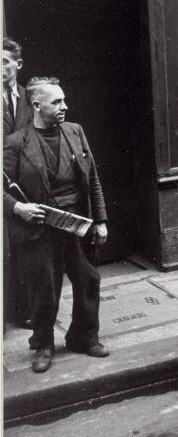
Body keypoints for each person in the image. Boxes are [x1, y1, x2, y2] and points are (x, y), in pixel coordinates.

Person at [3, 77, 109, 373]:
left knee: (88, 279)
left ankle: (84, 337)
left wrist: (100, 220)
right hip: (39, 227)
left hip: (76, 222)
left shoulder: (75, 131)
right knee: (43, 287)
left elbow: (93, 178)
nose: (65, 106)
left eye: (63, 100)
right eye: (57, 102)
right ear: (37, 106)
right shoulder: (16, 143)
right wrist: (17, 207)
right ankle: (43, 344)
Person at [3, 37, 34, 330]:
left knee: (26, 248)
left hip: (24, 185)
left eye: (4, 62)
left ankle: (26, 311)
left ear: (18, 64)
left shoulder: (29, 99)